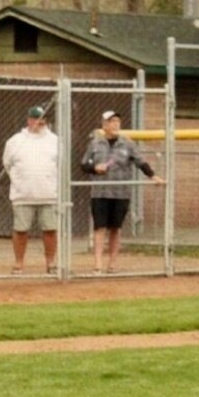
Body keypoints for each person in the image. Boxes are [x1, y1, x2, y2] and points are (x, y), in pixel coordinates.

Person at [79, 110, 164, 274]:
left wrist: (153, 176)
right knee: (99, 227)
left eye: (117, 121)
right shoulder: (95, 144)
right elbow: (84, 165)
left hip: (121, 193)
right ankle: (98, 263)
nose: (115, 124)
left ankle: (112, 264)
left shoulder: (128, 144)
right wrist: (96, 168)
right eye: (111, 122)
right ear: (104, 125)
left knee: (115, 228)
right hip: (100, 192)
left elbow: (141, 162)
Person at [3, 105, 59, 274]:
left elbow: (61, 165)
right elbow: (7, 164)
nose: (39, 122)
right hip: (23, 194)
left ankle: (51, 263)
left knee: (50, 229)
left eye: (42, 118)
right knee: (20, 230)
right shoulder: (15, 141)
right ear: (29, 120)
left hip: (48, 194)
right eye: (35, 118)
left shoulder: (55, 140)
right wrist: (20, 181)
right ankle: (19, 263)